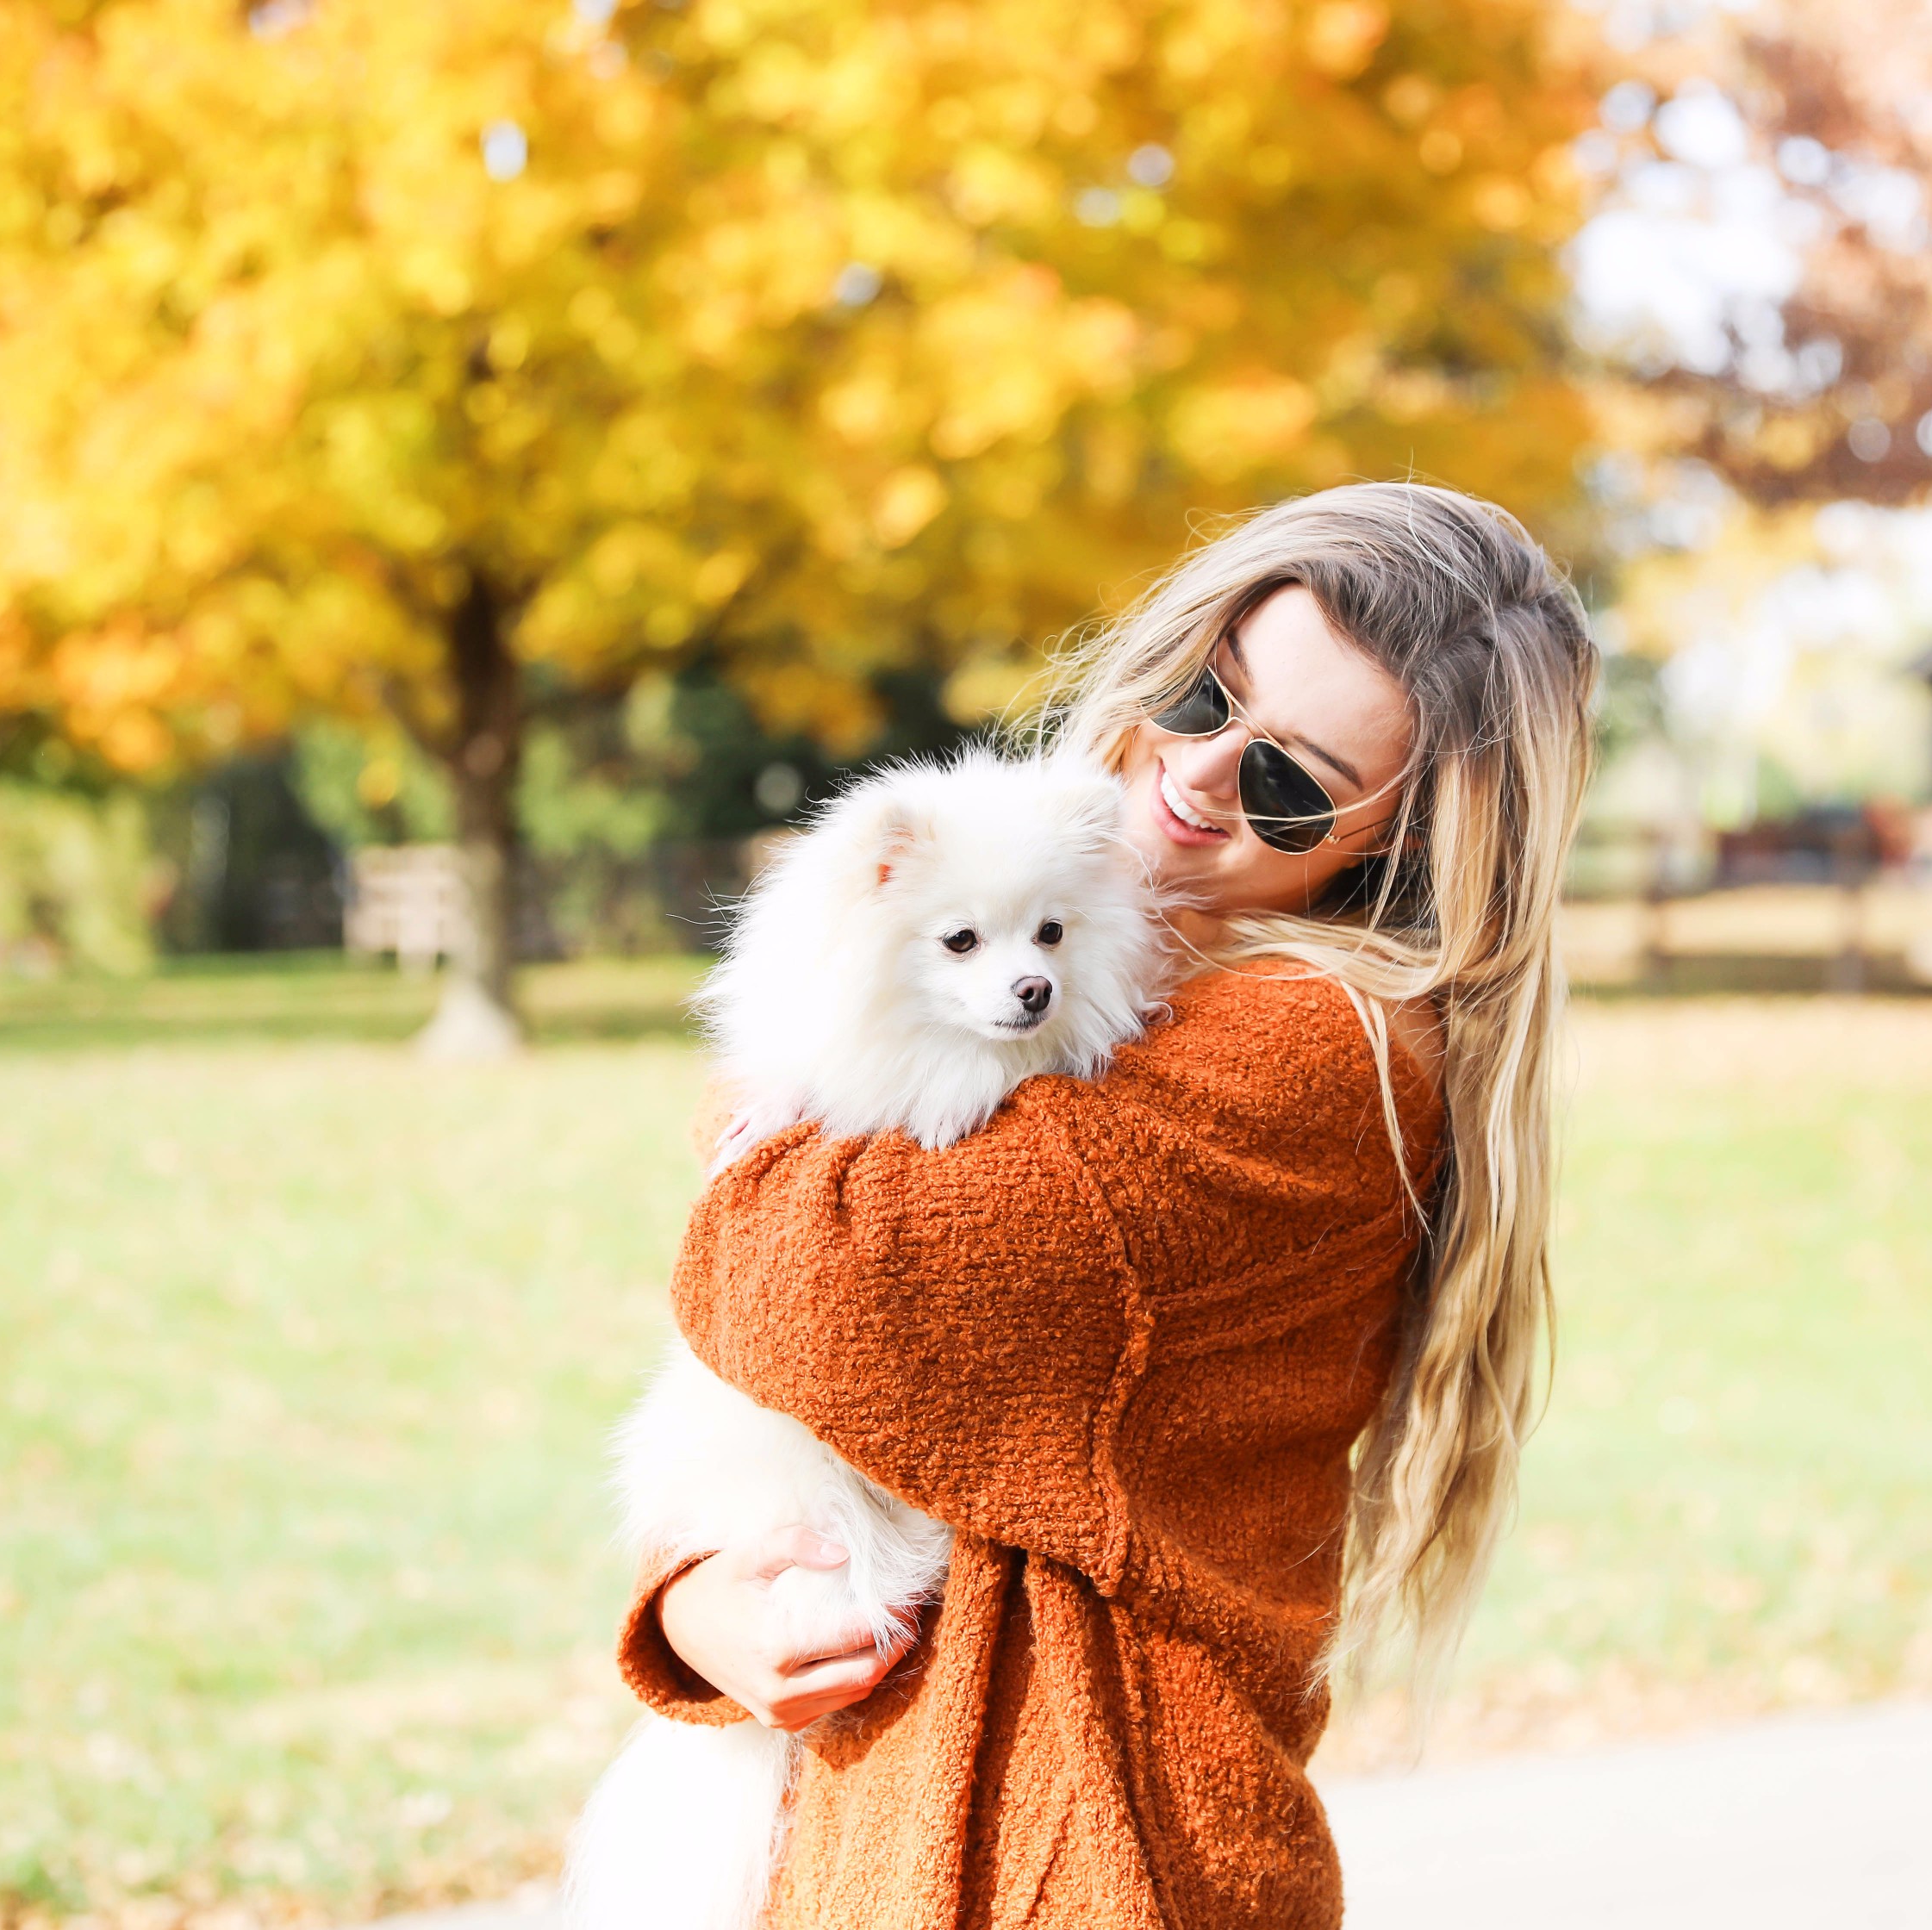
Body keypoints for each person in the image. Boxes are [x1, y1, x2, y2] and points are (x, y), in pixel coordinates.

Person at [617, 482, 1597, 1928]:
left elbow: (818, 1288)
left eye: (1291, 782)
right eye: (1209, 693)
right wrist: (697, 1598)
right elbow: (819, 1398)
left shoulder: (1319, 1051)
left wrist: (757, 1139)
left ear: (1390, 848)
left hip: (1090, 1850)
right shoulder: (1101, 974)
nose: (1199, 771)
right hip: (907, 1826)